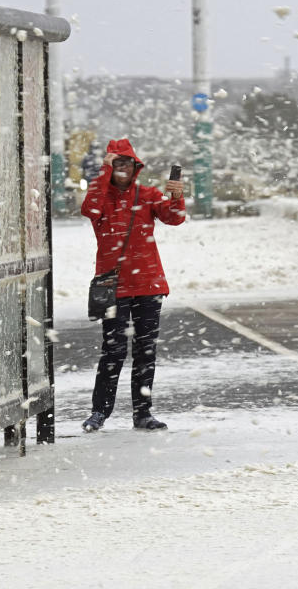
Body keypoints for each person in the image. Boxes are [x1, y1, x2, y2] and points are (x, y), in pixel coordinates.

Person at [80, 138, 186, 432]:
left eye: (127, 163)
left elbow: (174, 218)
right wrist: (103, 172)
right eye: (116, 164)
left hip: (148, 284)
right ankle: (99, 412)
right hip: (113, 285)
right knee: (112, 351)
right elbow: (90, 210)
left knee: (145, 350)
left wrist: (176, 197)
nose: (122, 168)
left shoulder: (147, 194)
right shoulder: (100, 196)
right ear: (108, 168)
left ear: (136, 166)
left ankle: (143, 413)